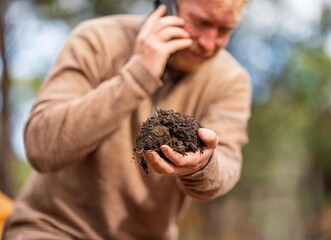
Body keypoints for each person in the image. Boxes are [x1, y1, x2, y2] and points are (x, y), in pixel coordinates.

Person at [4, 0, 252, 239]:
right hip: (51, 229)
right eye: (199, 22)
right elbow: (41, 146)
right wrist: (138, 74)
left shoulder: (230, 80)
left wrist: (202, 164)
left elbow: (226, 163)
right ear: (165, 5)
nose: (209, 43)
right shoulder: (96, 40)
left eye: (224, 30)